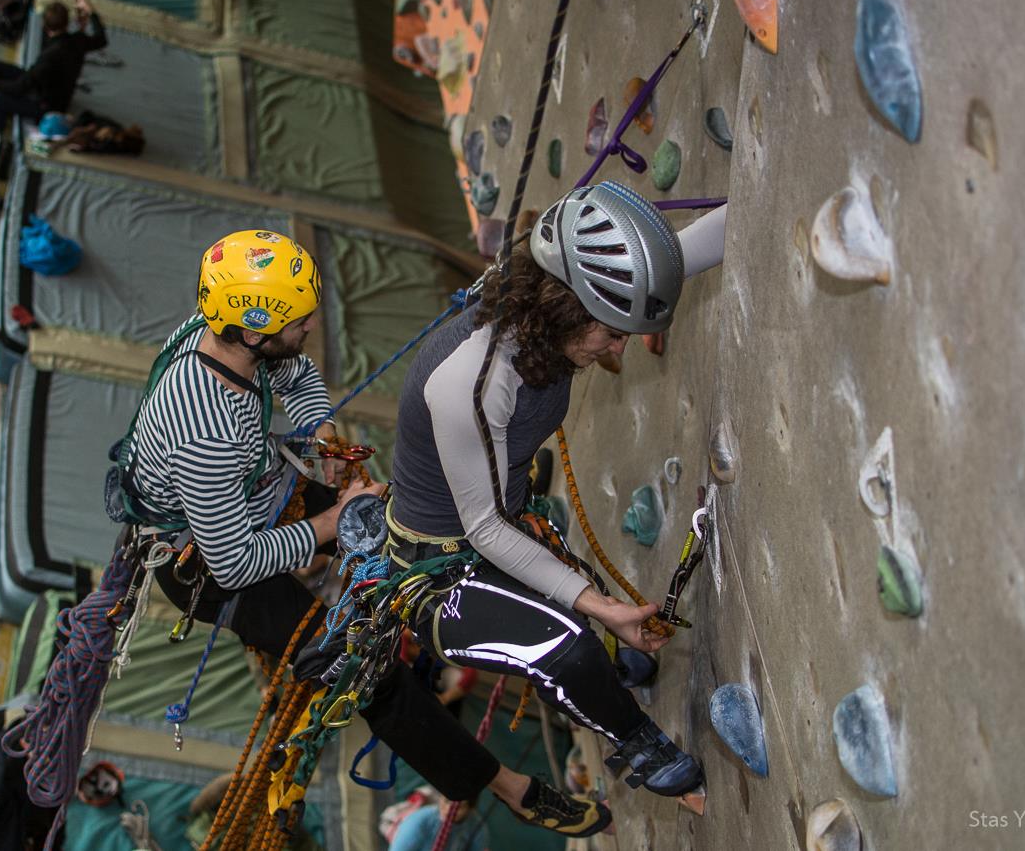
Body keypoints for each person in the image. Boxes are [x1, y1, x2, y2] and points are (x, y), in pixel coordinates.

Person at [120, 229, 612, 838]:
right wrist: (331, 521)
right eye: (298, 320)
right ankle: (511, 790)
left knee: (410, 527)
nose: (309, 328)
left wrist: (322, 435)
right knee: (372, 676)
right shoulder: (207, 435)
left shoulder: (213, 332)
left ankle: (503, 518)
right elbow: (235, 563)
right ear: (252, 332)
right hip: (209, 565)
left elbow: (294, 372)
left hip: (255, 495)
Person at [387, 183, 727, 798]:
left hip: (502, 514)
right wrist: (601, 606)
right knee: (565, 647)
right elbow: (485, 530)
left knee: (576, 612)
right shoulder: (471, 381)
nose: (620, 347)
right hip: (437, 569)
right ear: (567, 311)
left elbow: (677, 255)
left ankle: (606, 662)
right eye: (612, 331)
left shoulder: (543, 320)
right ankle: (635, 740)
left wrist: (756, 203)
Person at [0, 0, 107, 131]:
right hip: (43, 83)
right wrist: (90, 13)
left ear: (45, 25)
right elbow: (101, 39)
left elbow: (19, 87)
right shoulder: (78, 40)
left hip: (48, 104)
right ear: (67, 23)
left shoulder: (49, 57)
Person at [388, 796, 488, 851]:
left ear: (470, 809)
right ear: (440, 798)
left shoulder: (476, 826)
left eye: (459, 807)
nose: (449, 810)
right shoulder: (419, 821)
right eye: (446, 801)